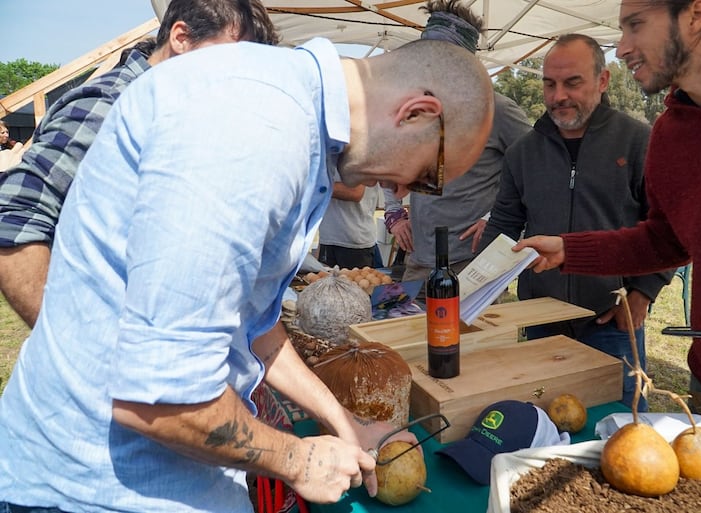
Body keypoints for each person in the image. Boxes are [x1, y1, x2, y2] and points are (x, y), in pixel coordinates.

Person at [0, 33, 494, 513]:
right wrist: (298, 458)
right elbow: (160, 395)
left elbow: (252, 321)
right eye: (429, 175)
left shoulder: (292, 118)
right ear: (417, 114)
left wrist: (345, 422)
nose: (406, 192)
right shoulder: (256, 130)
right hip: (94, 491)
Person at [514, 0, 701, 417]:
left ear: (696, 14)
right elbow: (665, 239)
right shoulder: (671, 131)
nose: (622, 46)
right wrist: (568, 250)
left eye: (635, 26)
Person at [0, 0, 278, 328]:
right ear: (181, 38)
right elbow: (15, 220)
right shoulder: (110, 105)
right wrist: (73, 343)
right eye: (228, 61)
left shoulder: (177, 112)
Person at [479, 33, 673, 412]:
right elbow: (505, 220)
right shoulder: (522, 152)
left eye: (572, 83)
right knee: (541, 424)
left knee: (621, 423)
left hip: (611, 322)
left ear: (603, 81)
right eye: (550, 84)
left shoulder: (639, 143)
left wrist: (643, 293)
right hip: (539, 317)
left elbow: (667, 225)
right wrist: (481, 286)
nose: (558, 96)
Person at [383, 0, 531, 296]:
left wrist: (495, 219)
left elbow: (537, 169)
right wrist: (394, 211)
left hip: (471, 264)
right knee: (407, 341)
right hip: (418, 260)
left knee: (473, 344)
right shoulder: (419, 111)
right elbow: (387, 163)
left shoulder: (497, 110)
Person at [318, 162, 380, 269]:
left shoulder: (360, 155)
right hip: (329, 238)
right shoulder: (330, 154)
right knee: (324, 284)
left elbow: (355, 192)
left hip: (353, 242)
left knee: (355, 285)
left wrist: (317, 187)